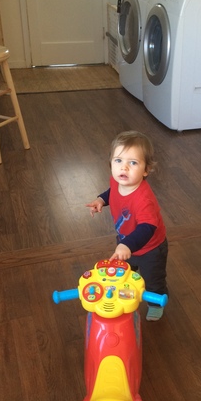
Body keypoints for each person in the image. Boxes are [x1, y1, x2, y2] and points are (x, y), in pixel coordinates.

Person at [86, 131, 168, 321]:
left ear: (146, 170)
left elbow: (147, 227)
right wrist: (101, 199)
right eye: (118, 160)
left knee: (153, 279)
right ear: (111, 163)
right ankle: (126, 296)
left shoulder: (143, 199)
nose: (124, 167)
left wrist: (126, 245)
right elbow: (112, 192)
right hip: (125, 242)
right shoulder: (117, 180)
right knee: (123, 276)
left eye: (133, 163)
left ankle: (156, 304)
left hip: (150, 249)